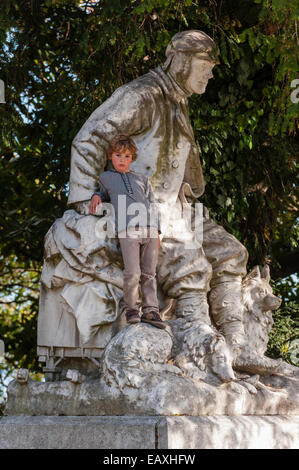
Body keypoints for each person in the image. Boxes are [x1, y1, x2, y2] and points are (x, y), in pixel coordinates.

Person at [89, 135, 166, 329]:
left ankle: (151, 310)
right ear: (110, 156)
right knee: (132, 273)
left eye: (126, 156)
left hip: (149, 229)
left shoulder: (142, 179)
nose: (122, 160)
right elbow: (102, 192)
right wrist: (96, 196)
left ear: (132, 158)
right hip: (128, 229)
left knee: (149, 273)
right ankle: (132, 309)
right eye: (118, 155)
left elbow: (152, 205)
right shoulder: (106, 177)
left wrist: (157, 231)